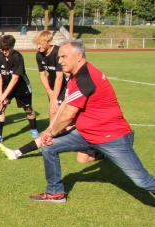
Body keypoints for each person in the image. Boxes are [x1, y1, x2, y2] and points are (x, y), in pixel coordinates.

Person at [30, 41, 155, 202]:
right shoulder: (75, 75)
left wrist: (51, 132)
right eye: (59, 57)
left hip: (112, 138)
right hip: (86, 134)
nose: (60, 61)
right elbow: (66, 103)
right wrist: (50, 130)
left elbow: (68, 114)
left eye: (64, 57)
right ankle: (55, 193)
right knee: (49, 146)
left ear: (79, 57)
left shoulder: (85, 78)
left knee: (142, 180)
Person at [0, 34, 38, 145]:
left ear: (12, 46)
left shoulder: (18, 57)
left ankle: (34, 129)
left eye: (6, 49)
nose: (4, 52)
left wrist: (3, 96)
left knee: (28, 109)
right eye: (2, 49)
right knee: (0, 108)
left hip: (21, 86)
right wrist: (0, 95)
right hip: (6, 85)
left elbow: (15, 79)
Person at [34, 30, 65, 119]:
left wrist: (54, 97)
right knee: (53, 109)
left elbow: (59, 77)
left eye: (41, 44)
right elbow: (42, 74)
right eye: (37, 44)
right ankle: (52, 127)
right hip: (52, 84)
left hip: (66, 84)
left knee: (62, 111)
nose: (38, 47)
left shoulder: (58, 52)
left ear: (48, 42)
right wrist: (49, 90)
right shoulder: (39, 55)